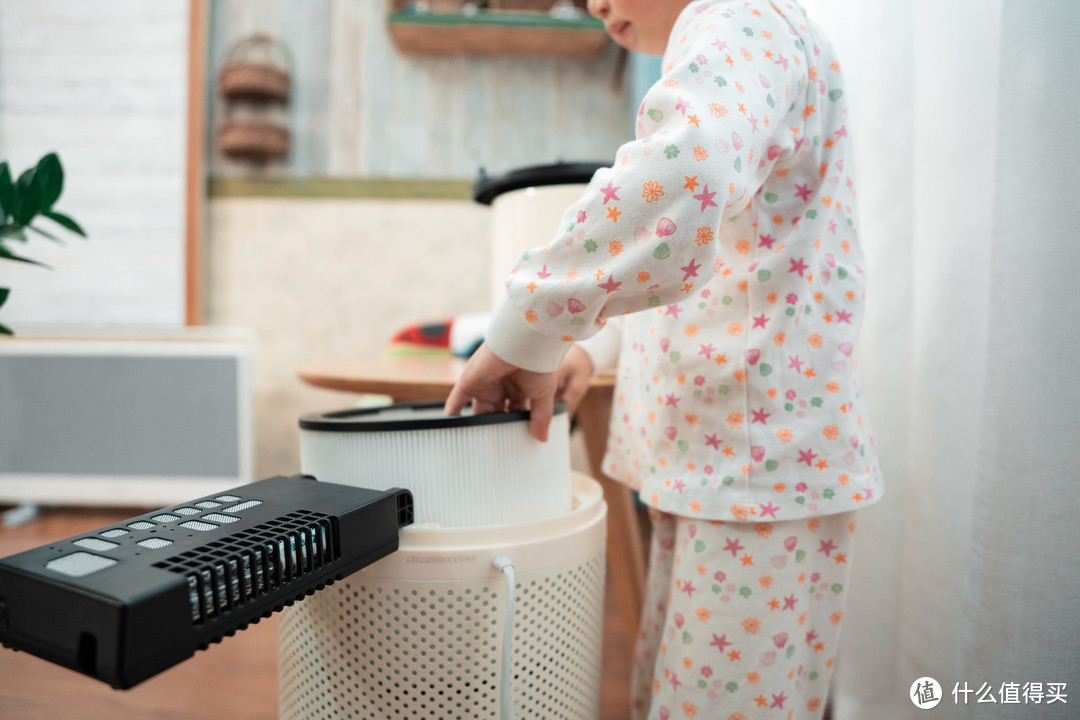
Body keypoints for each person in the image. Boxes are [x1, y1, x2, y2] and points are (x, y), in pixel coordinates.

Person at [445, 0, 884, 717]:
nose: (593, 4)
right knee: (682, 693)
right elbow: (715, 250)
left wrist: (534, 320)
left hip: (752, 473)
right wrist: (594, 342)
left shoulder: (744, 20)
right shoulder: (735, 36)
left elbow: (687, 173)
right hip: (729, 466)